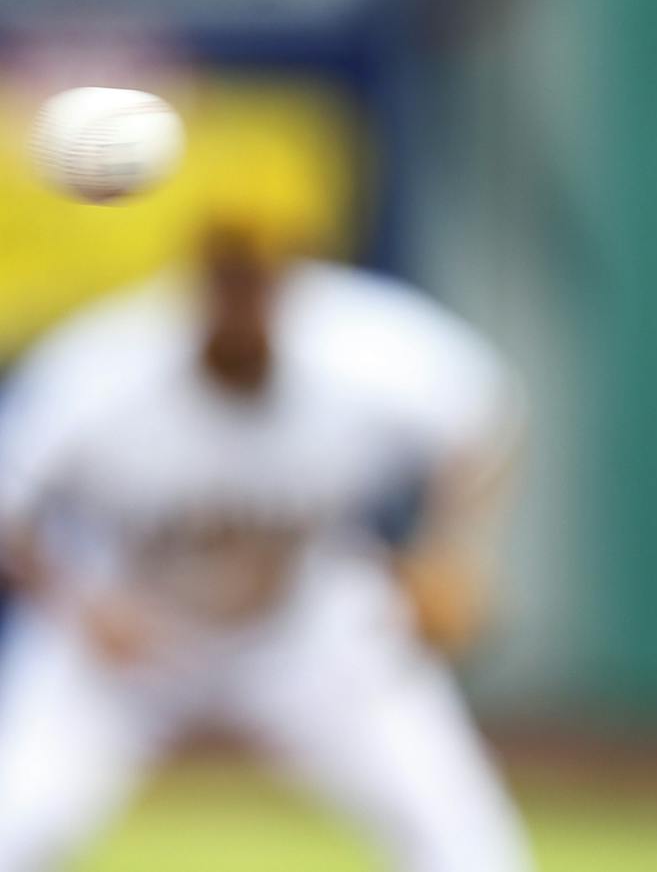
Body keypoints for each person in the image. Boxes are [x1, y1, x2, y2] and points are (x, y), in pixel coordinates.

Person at [0, 213, 532, 872]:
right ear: (196, 296)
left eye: (260, 291)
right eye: (229, 291)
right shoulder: (107, 364)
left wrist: (455, 553)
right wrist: (75, 601)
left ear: (288, 294)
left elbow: (487, 422)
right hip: (135, 626)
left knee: (469, 843)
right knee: (13, 826)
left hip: (307, 625)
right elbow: (10, 498)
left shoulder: (361, 346)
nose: (245, 311)